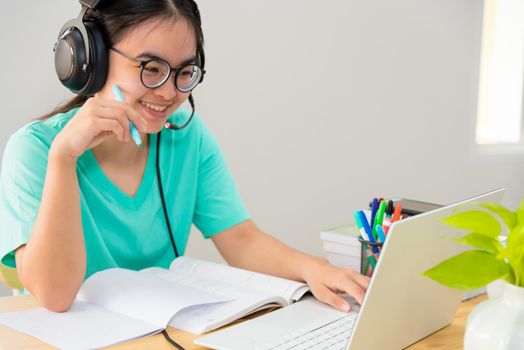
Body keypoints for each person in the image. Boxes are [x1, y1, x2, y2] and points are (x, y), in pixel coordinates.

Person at [0, 0, 369, 315]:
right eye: (152, 68)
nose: (168, 92)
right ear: (89, 60)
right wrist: (63, 158)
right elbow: (55, 296)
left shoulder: (185, 136)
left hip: (155, 333)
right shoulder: (35, 151)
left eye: (184, 72)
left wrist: (313, 268)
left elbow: (240, 239)